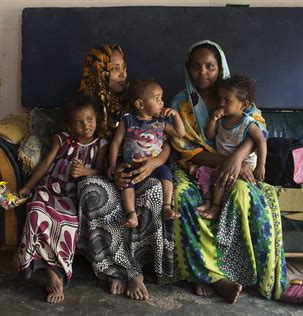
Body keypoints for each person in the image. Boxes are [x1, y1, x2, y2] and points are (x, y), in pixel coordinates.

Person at [169, 40, 288, 303]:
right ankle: (209, 276)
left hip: (238, 166)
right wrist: (227, 160)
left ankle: (242, 273)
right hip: (196, 167)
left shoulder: (236, 94)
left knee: (244, 195)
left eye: (210, 66)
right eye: (196, 66)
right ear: (188, 69)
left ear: (219, 67)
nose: (203, 72)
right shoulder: (182, 104)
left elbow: (259, 130)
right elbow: (186, 148)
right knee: (183, 198)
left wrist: (238, 158)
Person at [77, 45, 174, 301]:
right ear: (99, 73)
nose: (122, 74)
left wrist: (153, 165)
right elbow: (87, 148)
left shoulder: (137, 101)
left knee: (153, 190)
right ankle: (114, 270)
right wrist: (110, 171)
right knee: (91, 190)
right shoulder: (86, 107)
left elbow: (165, 142)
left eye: (124, 68)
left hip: (140, 169)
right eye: (115, 69)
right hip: (104, 172)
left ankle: (136, 270)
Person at [14, 94, 108, 303]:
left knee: (67, 224)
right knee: (36, 213)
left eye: (90, 119)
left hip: (73, 193)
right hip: (50, 187)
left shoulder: (100, 144)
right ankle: (47, 269)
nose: (86, 126)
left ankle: (55, 272)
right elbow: (47, 163)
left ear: (97, 118)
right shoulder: (62, 138)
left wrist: (85, 171)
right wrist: (28, 187)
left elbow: (101, 171)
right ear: (69, 124)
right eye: (79, 122)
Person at [107, 78, 185, 227]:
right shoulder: (128, 121)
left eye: (161, 98)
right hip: (131, 165)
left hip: (154, 166)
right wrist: (112, 164)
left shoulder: (160, 122)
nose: (161, 102)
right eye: (157, 99)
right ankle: (131, 214)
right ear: (140, 104)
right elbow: (116, 142)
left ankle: (167, 207)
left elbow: (179, 133)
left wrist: (175, 115)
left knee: (167, 175)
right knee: (126, 185)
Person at [197, 74, 268, 219]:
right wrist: (212, 120)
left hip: (245, 163)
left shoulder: (248, 123)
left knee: (220, 178)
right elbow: (210, 136)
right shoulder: (221, 119)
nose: (221, 103)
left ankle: (215, 208)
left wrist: (261, 165)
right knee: (207, 175)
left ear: (244, 105)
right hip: (224, 160)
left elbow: (261, 141)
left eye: (227, 101)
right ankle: (209, 202)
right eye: (220, 99)